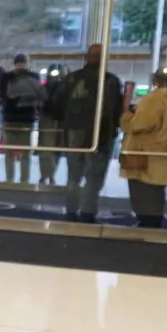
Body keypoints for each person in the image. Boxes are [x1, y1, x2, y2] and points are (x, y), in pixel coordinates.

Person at [119, 66, 167, 228]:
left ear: (157, 80)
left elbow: (139, 125)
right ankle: (153, 222)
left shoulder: (156, 98)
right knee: (157, 192)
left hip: (146, 153)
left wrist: (126, 116)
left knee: (142, 191)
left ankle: (148, 224)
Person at [60, 43, 123, 223]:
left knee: (73, 175)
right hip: (100, 134)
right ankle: (87, 212)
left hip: (74, 132)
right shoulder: (110, 80)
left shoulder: (72, 79)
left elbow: (60, 104)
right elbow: (115, 109)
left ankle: (70, 210)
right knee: (94, 177)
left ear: (86, 58)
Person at [3, 54, 44, 184]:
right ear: (27, 63)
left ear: (14, 63)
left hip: (10, 118)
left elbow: (4, 97)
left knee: (9, 153)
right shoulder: (34, 77)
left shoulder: (7, 77)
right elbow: (40, 96)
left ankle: (9, 179)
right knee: (25, 153)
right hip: (27, 118)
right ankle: (24, 180)